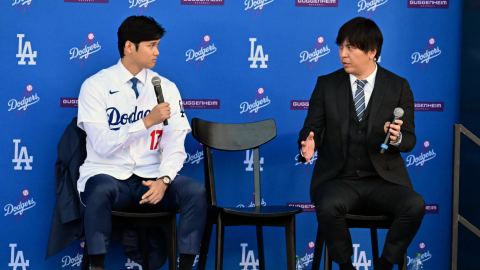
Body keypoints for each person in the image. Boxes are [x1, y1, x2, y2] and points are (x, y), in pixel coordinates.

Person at [77, 15, 207, 270]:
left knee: (194, 191)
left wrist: (165, 179)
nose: (157, 52)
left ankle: (186, 267)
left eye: (158, 44)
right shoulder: (95, 86)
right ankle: (97, 266)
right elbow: (102, 145)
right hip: (109, 175)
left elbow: (175, 144)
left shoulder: (166, 87)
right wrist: (146, 122)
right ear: (129, 47)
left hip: (151, 179)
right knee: (101, 190)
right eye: (151, 45)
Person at [298, 17, 425, 270]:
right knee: (328, 205)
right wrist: (307, 144)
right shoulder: (327, 85)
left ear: (372, 52)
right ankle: (346, 267)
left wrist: (396, 138)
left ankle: (385, 265)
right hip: (339, 179)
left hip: (384, 181)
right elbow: (311, 128)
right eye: (340, 47)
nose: (342, 54)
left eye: (350, 48)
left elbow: (410, 139)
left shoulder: (398, 87)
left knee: (415, 205)